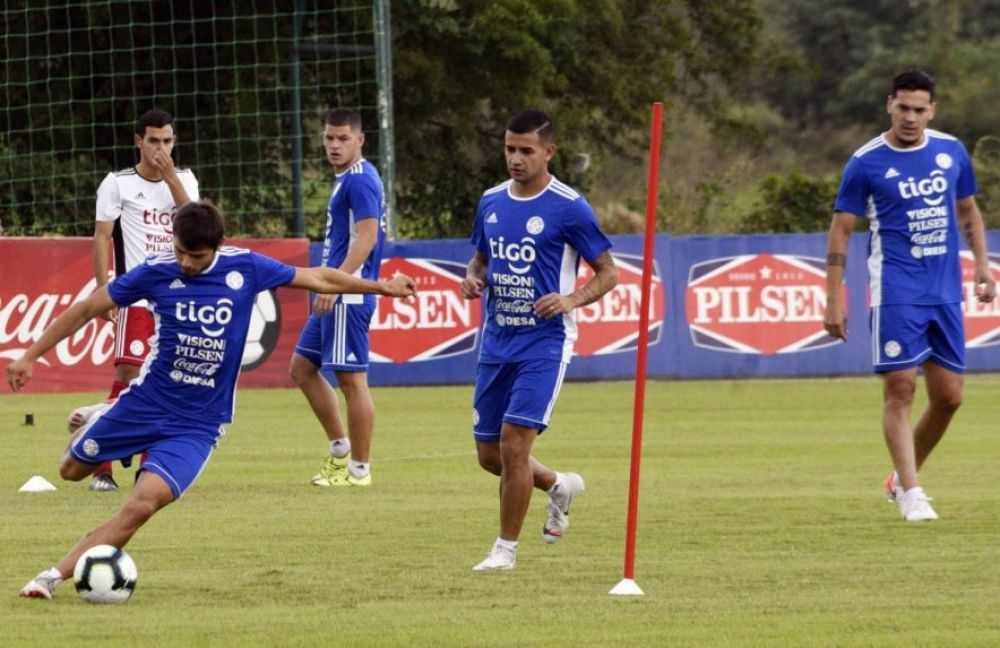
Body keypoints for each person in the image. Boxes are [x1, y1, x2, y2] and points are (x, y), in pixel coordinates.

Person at [9, 201, 416, 599]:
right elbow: (86, 309)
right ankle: (105, 414)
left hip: (197, 424)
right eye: (181, 252)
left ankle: (51, 576)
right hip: (146, 403)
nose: (186, 263)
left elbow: (320, 278)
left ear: (218, 245)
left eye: (197, 256)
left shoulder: (246, 267)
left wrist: (381, 286)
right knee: (71, 470)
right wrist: (30, 356)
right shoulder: (156, 271)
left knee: (142, 505)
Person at [824, 71, 996, 522]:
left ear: (932, 110)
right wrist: (833, 298)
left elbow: (968, 211)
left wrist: (981, 263)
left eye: (920, 109)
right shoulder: (865, 163)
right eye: (904, 108)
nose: (911, 118)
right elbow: (841, 231)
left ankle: (900, 478)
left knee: (949, 397)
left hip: (943, 290)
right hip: (895, 288)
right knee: (901, 389)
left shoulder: (950, 151)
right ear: (889, 106)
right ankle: (913, 493)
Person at [460, 110, 619, 571]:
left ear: (548, 152)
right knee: (490, 455)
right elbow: (479, 262)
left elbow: (608, 273)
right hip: (497, 341)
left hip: (545, 344)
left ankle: (504, 551)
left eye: (526, 150)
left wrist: (571, 299)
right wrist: (473, 280)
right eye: (510, 148)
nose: (516, 158)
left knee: (513, 448)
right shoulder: (490, 201)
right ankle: (558, 484)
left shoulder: (569, 206)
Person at [68, 108, 200, 492]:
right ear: (137, 140)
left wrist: (172, 175)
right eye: (154, 140)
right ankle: (101, 466)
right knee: (127, 377)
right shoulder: (117, 184)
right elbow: (101, 238)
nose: (161, 148)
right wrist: (103, 291)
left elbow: (193, 220)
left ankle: (148, 468)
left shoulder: (186, 179)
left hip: (179, 301)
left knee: (166, 382)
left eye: (168, 141)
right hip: (138, 295)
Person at [289, 108, 386, 488]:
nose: (334, 144)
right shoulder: (346, 178)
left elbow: (367, 237)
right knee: (301, 368)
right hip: (335, 288)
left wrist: (338, 282)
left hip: (347, 293)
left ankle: (359, 470)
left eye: (343, 138)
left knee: (351, 381)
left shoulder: (360, 181)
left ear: (359, 140)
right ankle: (340, 448)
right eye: (329, 137)